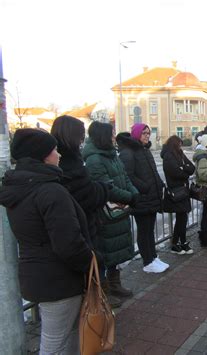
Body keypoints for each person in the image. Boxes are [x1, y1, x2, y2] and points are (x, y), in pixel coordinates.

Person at [0, 128, 93, 354]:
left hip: (38, 274)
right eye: (53, 150)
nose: (58, 155)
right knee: (55, 342)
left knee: (64, 336)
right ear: (41, 155)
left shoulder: (20, 187)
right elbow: (68, 244)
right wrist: (91, 262)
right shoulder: (50, 190)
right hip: (58, 279)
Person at [50, 115, 122, 307]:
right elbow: (85, 194)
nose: (83, 140)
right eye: (81, 135)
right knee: (91, 264)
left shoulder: (70, 157)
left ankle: (99, 297)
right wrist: (104, 189)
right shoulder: (68, 161)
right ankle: (96, 302)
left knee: (95, 262)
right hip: (80, 223)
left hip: (85, 220)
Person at [83, 122, 140, 300]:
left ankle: (115, 284)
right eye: (111, 134)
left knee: (116, 252)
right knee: (106, 252)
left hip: (119, 211)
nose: (114, 137)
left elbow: (124, 177)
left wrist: (134, 193)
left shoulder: (112, 155)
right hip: (107, 214)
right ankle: (105, 292)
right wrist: (129, 197)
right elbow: (107, 187)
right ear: (102, 136)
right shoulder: (94, 159)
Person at [116, 123, 169, 272]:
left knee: (149, 230)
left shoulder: (144, 149)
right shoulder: (128, 152)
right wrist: (144, 188)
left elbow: (152, 171)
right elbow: (128, 176)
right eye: (144, 133)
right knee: (144, 231)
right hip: (141, 198)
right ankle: (147, 262)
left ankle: (153, 257)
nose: (147, 135)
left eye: (148, 133)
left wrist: (159, 184)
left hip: (151, 197)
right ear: (137, 134)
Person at [161, 135, 195, 254]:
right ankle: (179, 242)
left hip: (183, 190)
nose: (181, 146)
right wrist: (184, 171)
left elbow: (192, 167)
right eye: (179, 144)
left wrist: (183, 168)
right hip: (176, 191)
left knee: (183, 217)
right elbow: (175, 172)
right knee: (182, 217)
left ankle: (178, 242)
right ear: (174, 144)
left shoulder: (179, 153)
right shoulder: (168, 155)